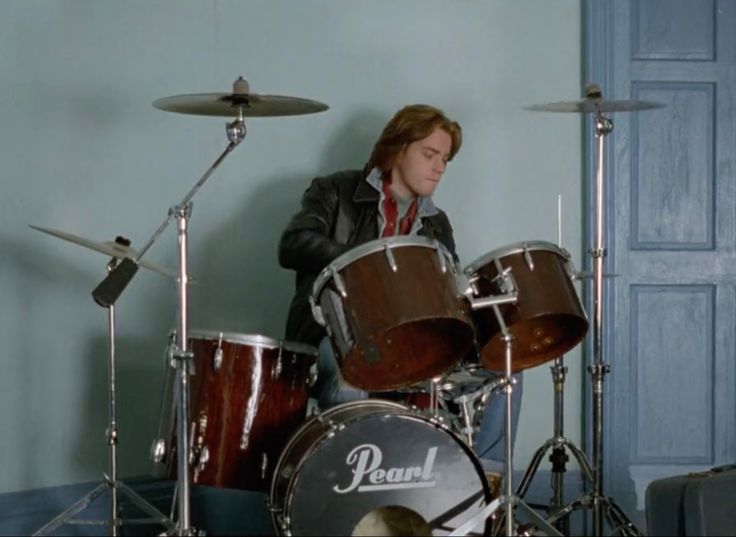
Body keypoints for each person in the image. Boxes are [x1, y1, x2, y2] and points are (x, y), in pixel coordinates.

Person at [277, 103, 522, 475]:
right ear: (397, 149)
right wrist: (368, 263)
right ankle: (351, 483)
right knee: (349, 371)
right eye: (429, 154)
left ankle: (485, 481)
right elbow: (293, 244)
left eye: (445, 158)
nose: (439, 166)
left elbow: (447, 289)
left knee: (506, 364)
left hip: (412, 340)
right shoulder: (335, 191)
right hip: (339, 338)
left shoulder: (436, 222)